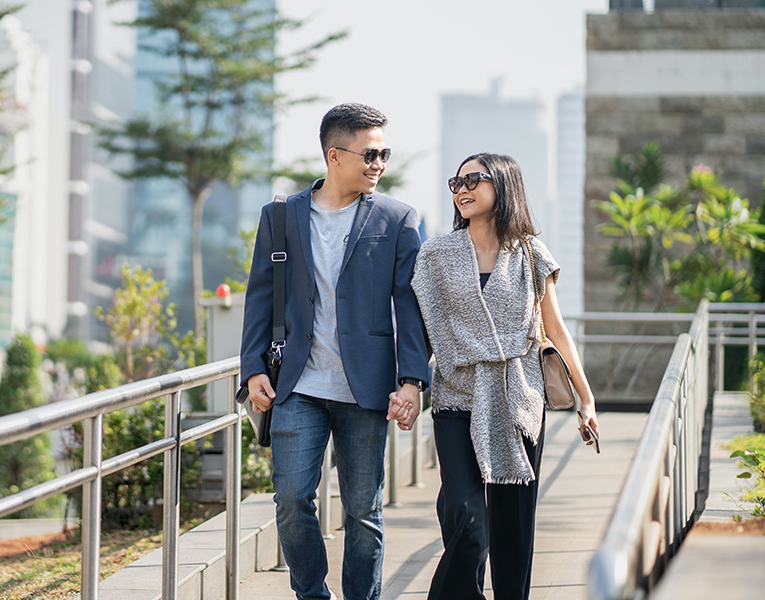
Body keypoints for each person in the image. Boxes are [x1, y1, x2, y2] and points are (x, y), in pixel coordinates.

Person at [240, 102, 431, 600]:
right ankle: (312, 595)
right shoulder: (280, 216)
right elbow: (261, 295)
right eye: (370, 153)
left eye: (385, 153)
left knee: (363, 512)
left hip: (365, 386)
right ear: (334, 155)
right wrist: (251, 368)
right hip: (298, 383)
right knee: (290, 500)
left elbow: (411, 308)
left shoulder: (399, 219)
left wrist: (412, 381)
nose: (379, 164)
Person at [403, 153, 600, 600]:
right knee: (467, 519)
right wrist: (410, 385)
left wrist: (585, 399)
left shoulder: (530, 252)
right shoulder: (435, 253)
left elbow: (556, 328)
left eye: (473, 179)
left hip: (519, 398)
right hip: (456, 396)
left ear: (504, 185)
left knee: (513, 527)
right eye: (456, 181)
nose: (461, 189)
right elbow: (422, 329)